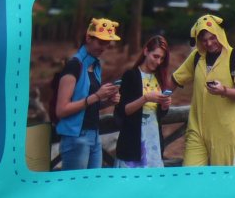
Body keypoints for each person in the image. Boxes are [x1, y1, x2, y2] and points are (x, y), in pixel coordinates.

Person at [171, 14, 235, 166]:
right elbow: (175, 79)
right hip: (196, 130)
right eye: (204, 40)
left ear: (219, 34)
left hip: (224, 132)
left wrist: (224, 91)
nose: (209, 43)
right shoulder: (196, 57)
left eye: (212, 37)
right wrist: (161, 96)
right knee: (190, 175)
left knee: (219, 180)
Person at [54, 17, 122, 170]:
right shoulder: (74, 66)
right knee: (75, 189)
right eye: (100, 42)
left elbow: (87, 105)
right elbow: (62, 110)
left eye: (107, 43)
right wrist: (97, 96)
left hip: (95, 136)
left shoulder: (95, 66)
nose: (104, 47)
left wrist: (107, 102)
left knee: (93, 187)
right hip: (76, 138)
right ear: (88, 38)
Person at [115, 35, 170, 168]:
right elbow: (123, 110)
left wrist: (164, 106)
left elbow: (159, 115)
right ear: (146, 51)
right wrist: (145, 98)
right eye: (155, 56)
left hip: (154, 142)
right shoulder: (131, 75)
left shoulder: (159, 78)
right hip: (133, 143)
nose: (158, 62)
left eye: (162, 58)